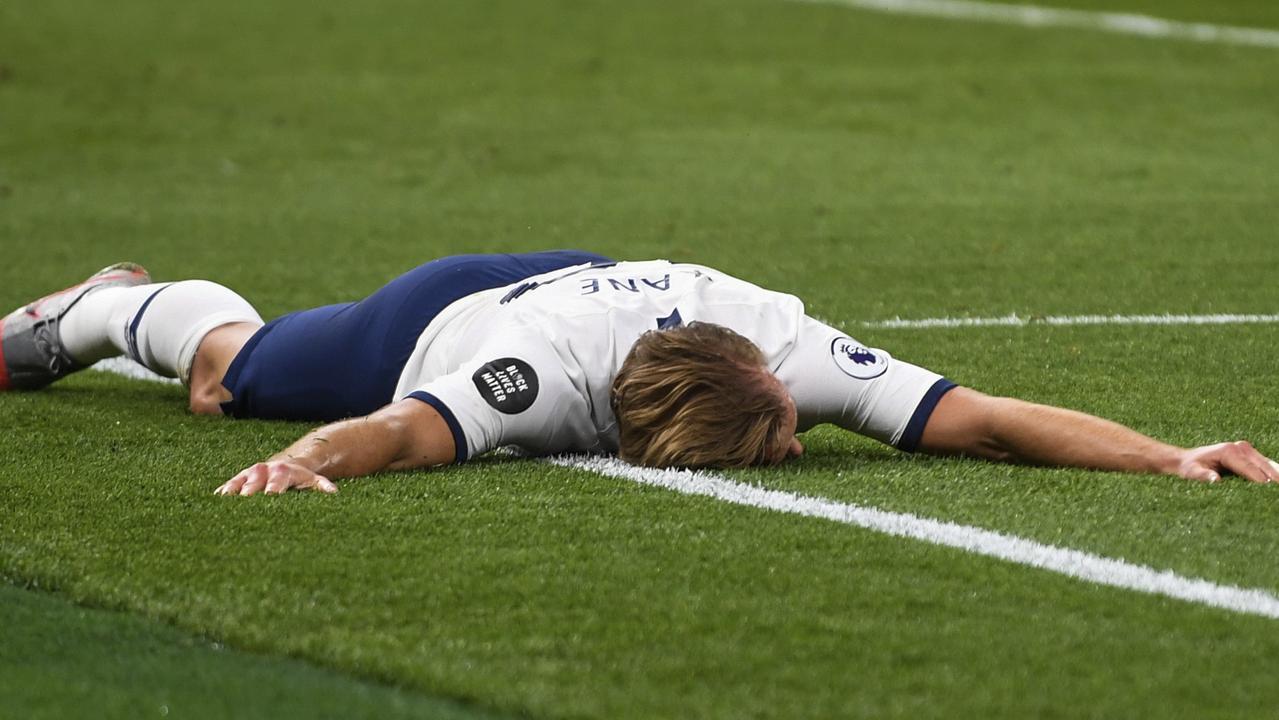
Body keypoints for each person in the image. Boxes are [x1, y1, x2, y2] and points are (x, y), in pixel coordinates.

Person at [2, 251, 1276, 496]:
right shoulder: (521, 387)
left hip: (601, 269)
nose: (800, 444)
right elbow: (391, 433)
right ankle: (116, 306)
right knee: (238, 373)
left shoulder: (785, 350)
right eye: (782, 455)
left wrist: (1174, 453)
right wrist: (296, 457)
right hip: (451, 309)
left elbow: (989, 423)